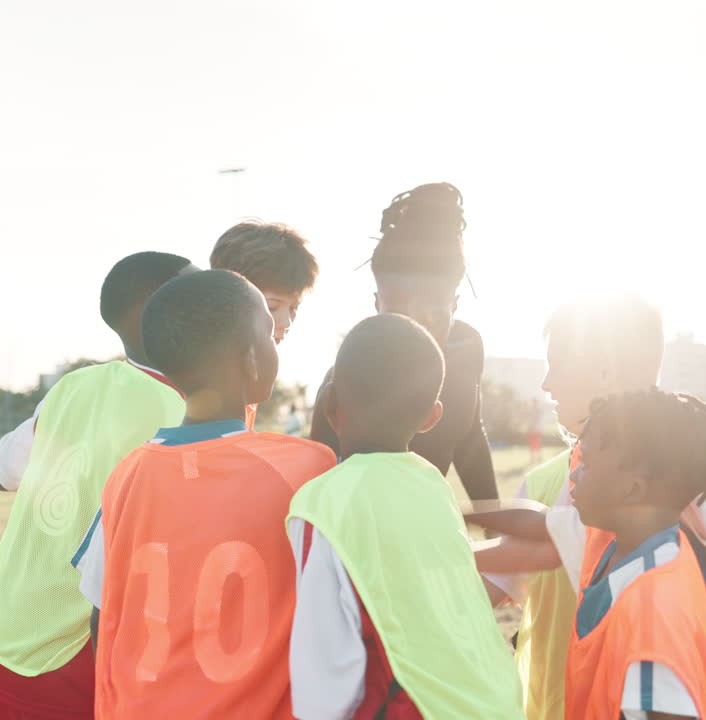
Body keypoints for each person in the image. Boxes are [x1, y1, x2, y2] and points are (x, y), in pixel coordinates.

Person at [486, 295, 706, 720]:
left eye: (556, 363)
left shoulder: (670, 450)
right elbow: (542, 544)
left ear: (605, 370)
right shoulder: (594, 459)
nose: (546, 384)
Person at [85, 269, 336, 718]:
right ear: (251, 359)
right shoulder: (305, 467)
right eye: (268, 330)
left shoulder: (126, 474)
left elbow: (101, 614)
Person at [0, 251, 195, 720]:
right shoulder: (183, 414)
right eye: (197, 291)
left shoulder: (73, 387)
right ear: (153, 308)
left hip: (1, 624)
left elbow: (1, 473)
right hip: (75, 649)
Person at [287, 314, 523, 719]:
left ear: (328, 403)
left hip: (415, 709)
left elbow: (323, 668)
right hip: (495, 703)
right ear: (433, 417)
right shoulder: (432, 484)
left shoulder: (321, 502)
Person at [469, 390, 706, 720]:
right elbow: (537, 522)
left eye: (588, 464)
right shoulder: (616, 545)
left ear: (632, 489)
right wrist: (458, 518)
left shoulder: (651, 609)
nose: (574, 474)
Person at [310, 183, 498, 502]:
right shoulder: (346, 381)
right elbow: (322, 491)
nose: (414, 333)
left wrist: (495, 519)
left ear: (454, 305)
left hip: (430, 527)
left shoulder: (467, 347)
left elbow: (468, 438)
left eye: (433, 318)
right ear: (376, 304)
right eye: (397, 315)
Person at [210, 220, 320, 428]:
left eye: (294, 308)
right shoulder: (189, 391)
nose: (286, 322)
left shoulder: (245, 385)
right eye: (272, 307)